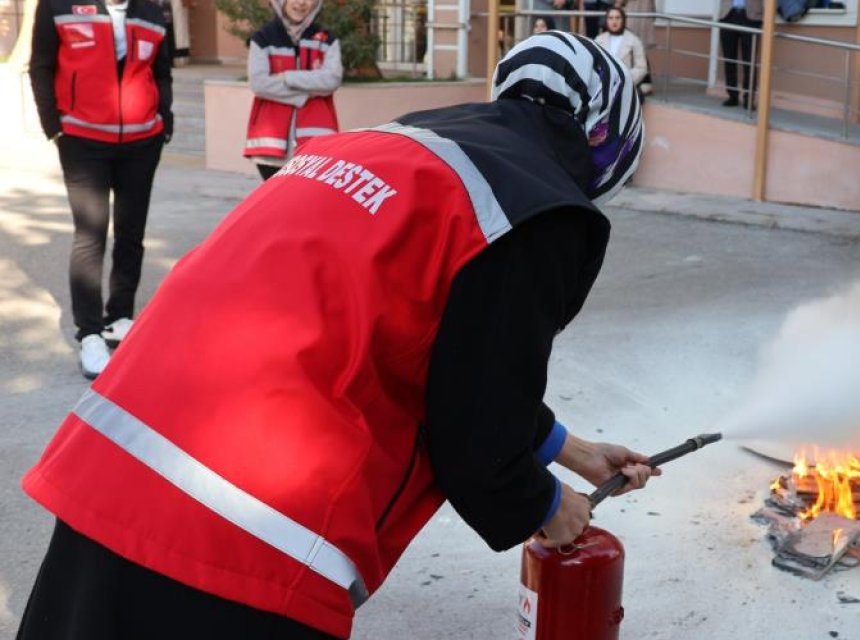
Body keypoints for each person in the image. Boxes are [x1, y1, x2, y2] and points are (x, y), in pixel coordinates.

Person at [17, 32, 648, 640]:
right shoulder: (535, 208)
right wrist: (545, 505)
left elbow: (434, 347)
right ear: (606, 143)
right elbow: (477, 426)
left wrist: (571, 449)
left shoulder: (389, 145)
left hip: (116, 464)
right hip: (247, 525)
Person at [28, 0, 173, 379]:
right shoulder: (58, 6)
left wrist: (165, 122)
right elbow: (41, 66)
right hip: (83, 141)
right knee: (90, 236)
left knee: (131, 233)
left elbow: (162, 72)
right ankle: (90, 333)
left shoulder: (154, 10)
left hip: (143, 142)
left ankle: (120, 317)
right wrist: (54, 126)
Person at [245, 0, 343, 181]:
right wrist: (307, 93)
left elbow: (332, 80)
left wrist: (287, 77)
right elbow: (259, 84)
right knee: (277, 204)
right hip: (271, 146)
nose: (300, 3)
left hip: (317, 142)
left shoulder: (327, 39)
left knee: (309, 203)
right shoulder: (263, 38)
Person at [718, 0, 763, 108]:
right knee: (729, 59)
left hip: (751, 17)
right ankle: (732, 96)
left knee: (749, 61)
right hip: (728, 15)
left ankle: (748, 99)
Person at [595, 7, 649, 96]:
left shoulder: (634, 40)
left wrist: (624, 80)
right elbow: (594, 64)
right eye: (611, 18)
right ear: (606, 21)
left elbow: (641, 68)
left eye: (617, 18)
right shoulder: (599, 39)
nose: (614, 21)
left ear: (623, 20)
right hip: (602, 85)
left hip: (626, 86)